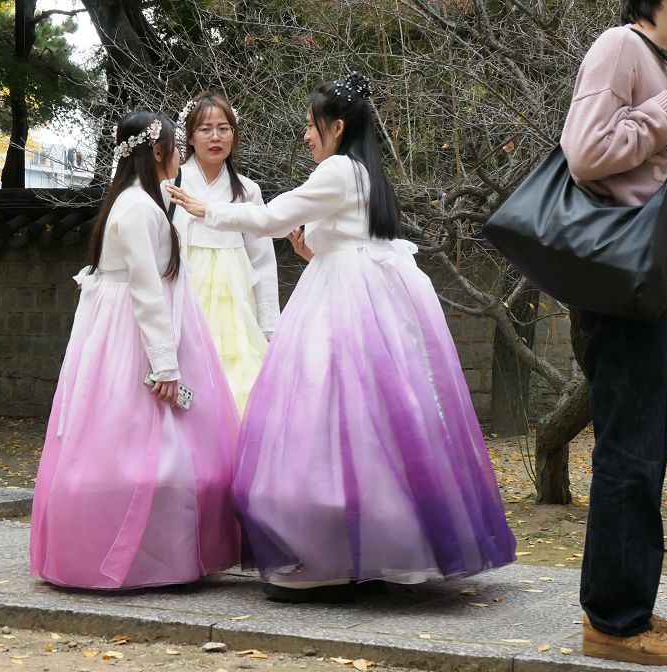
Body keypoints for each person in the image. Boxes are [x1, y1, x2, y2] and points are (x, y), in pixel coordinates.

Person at [169, 72, 516, 603]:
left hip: (344, 299)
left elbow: (270, 217)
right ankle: (376, 544)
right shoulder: (365, 172)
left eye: (311, 126)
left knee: (321, 411)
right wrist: (312, 252)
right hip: (366, 289)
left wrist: (206, 209)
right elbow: (348, 235)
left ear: (334, 127)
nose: (306, 136)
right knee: (375, 420)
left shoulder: (335, 170)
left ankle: (321, 554)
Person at [559, 0, 667, 665]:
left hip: (650, 299)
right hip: (617, 295)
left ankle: (625, 603)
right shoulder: (619, 47)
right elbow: (584, 152)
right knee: (628, 460)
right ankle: (612, 623)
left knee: (642, 461)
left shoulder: (660, 63)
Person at [30, 110, 242, 590]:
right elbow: (146, 290)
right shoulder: (138, 209)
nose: (182, 153)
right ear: (158, 152)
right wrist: (164, 363)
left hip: (123, 328)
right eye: (175, 144)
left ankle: (156, 549)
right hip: (135, 333)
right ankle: (147, 553)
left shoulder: (135, 202)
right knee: (143, 439)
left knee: (138, 439)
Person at [173, 92, 279, 413]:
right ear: (190, 137)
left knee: (240, 380)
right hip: (186, 287)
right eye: (205, 129)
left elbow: (262, 258)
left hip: (235, 296)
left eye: (224, 128)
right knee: (188, 376)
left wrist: (269, 323)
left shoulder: (247, 189)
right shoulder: (172, 184)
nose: (216, 137)